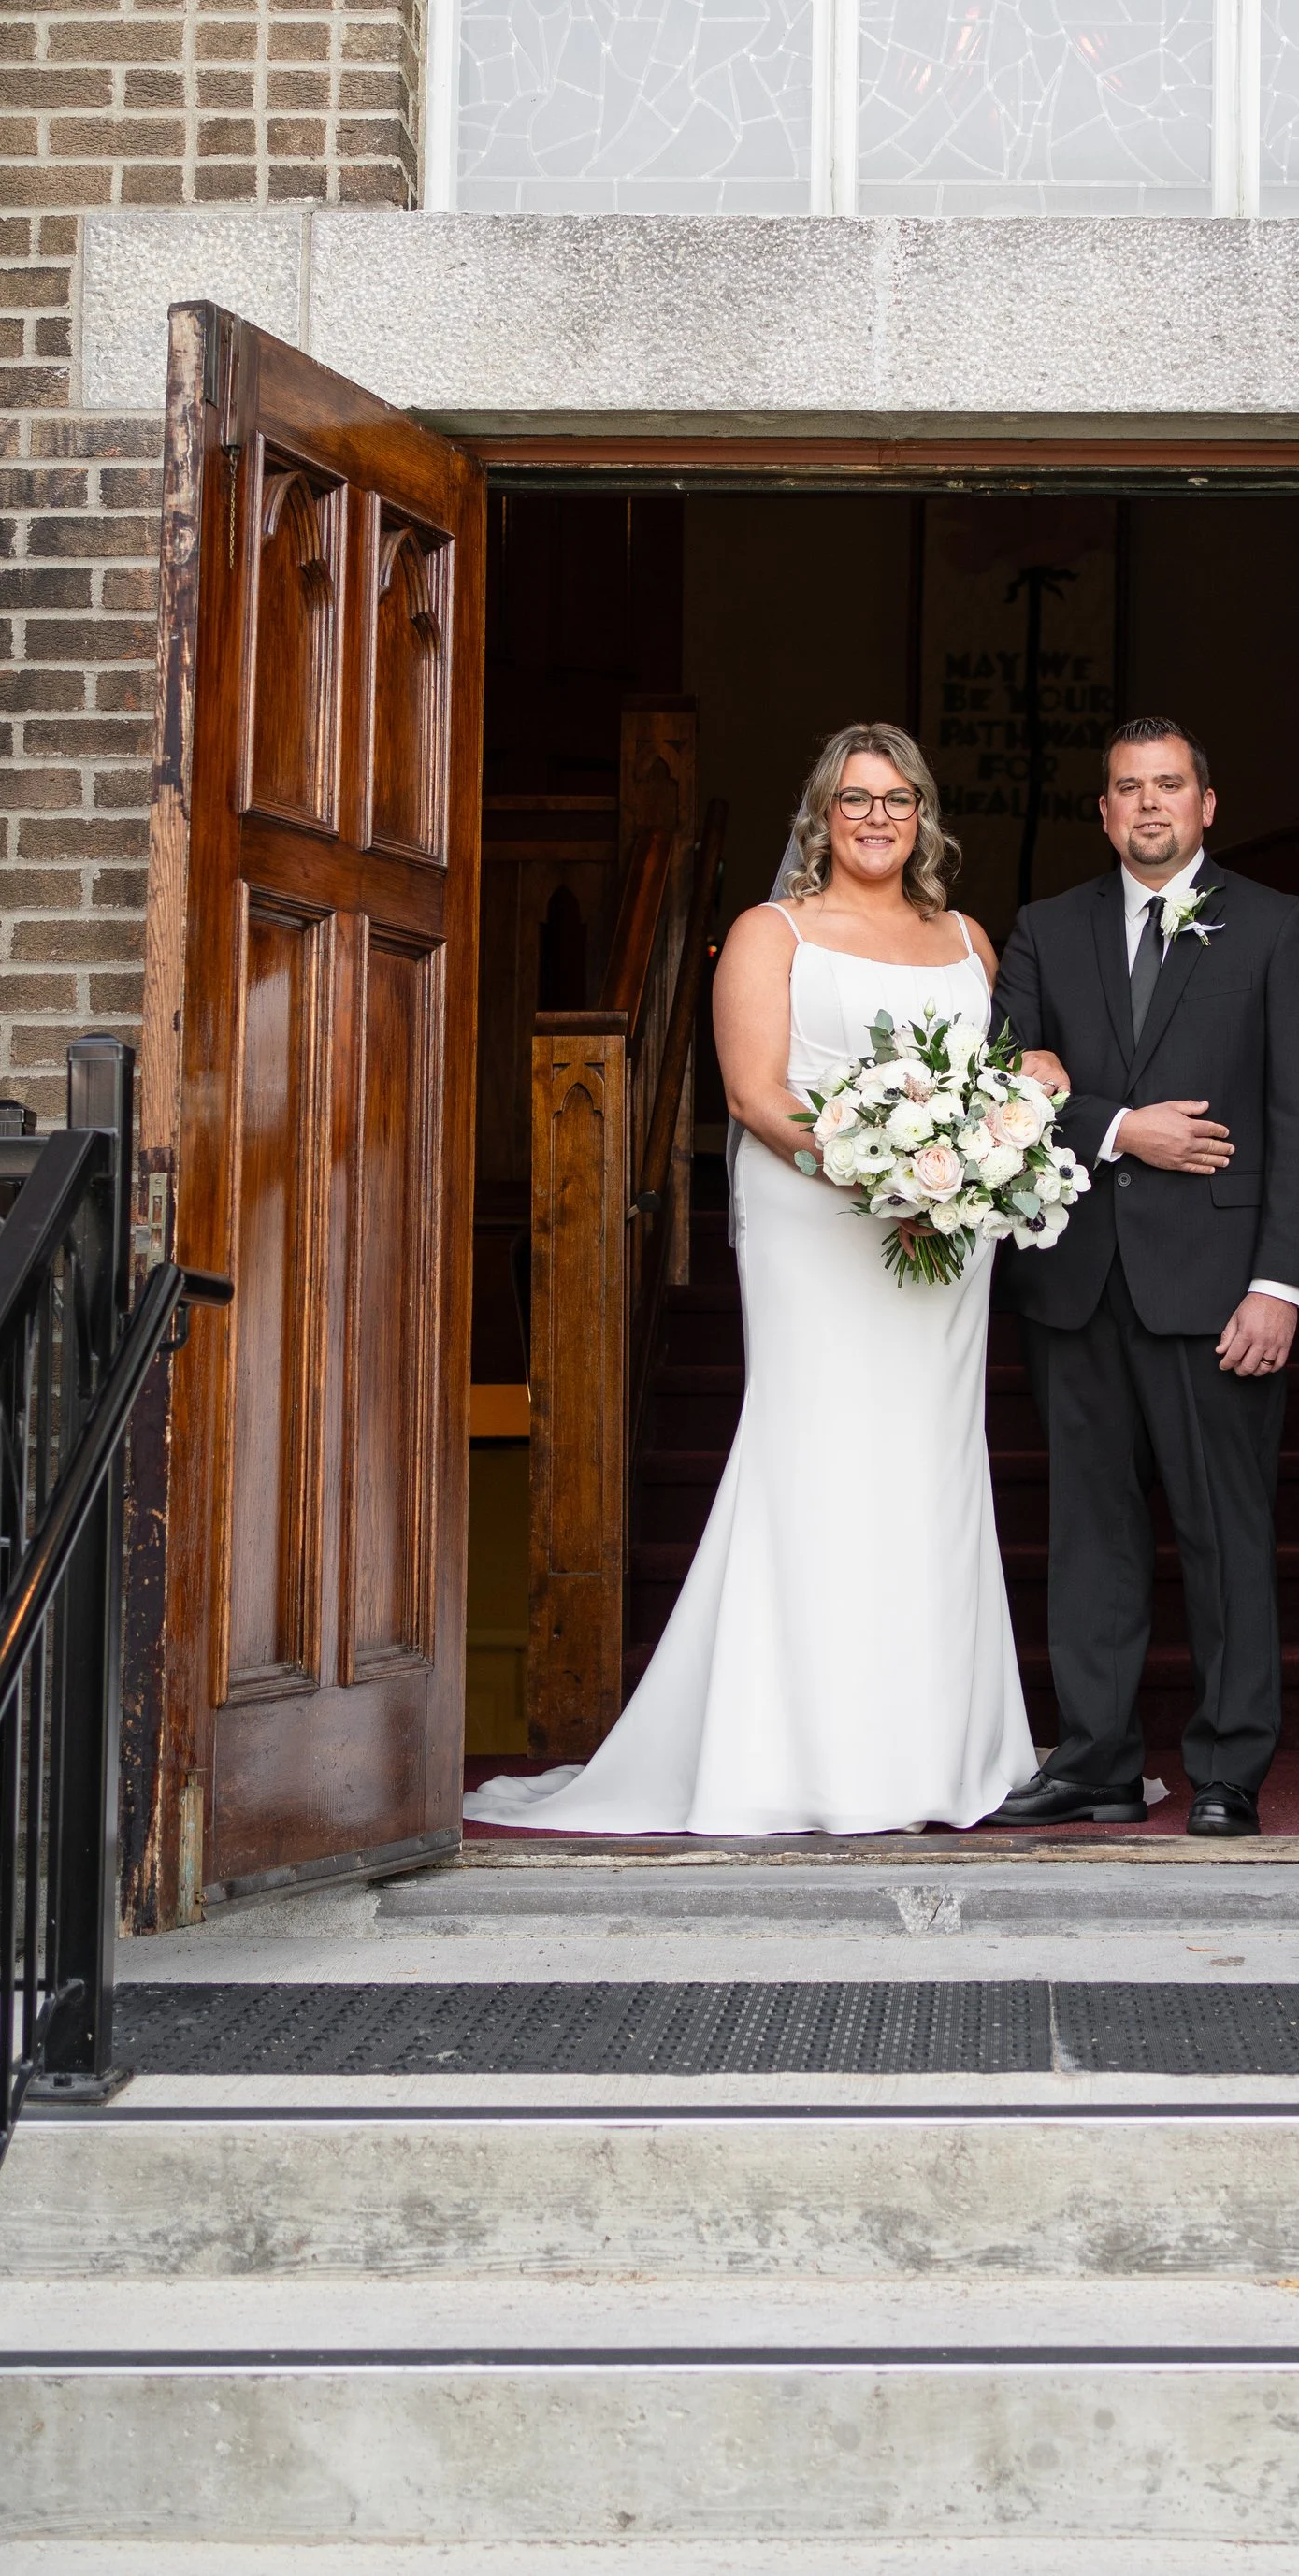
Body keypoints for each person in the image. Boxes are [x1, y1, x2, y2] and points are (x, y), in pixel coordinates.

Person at [468, 725, 1035, 1838]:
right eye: (854, 800)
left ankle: (941, 1746)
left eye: (898, 799)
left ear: (924, 815)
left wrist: (965, 1160)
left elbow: (998, 1081)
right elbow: (754, 1097)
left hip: (944, 1238)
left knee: (933, 1469)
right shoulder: (769, 931)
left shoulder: (968, 937)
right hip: (819, 1221)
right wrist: (878, 1175)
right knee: (815, 1461)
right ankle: (799, 1749)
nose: (877, 819)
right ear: (819, 814)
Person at [989, 719, 1299, 1838]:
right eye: (1126, 788)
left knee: (1222, 1531)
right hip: (1076, 1286)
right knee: (1089, 1532)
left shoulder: (1278, 929)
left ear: (1206, 803)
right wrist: (1118, 1129)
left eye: (1168, 785)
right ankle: (1093, 1759)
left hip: (1219, 1284)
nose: (1147, 804)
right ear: (1102, 812)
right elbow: (1002, 1078)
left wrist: (1278, 1286)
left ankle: (1230, 1768)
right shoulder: (1045, 929)